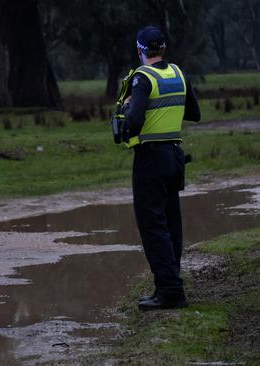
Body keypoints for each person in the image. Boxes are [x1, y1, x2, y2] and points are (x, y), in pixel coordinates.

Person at [119, 26, 201, 311]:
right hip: (174, 156)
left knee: (153, 226)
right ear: (163, 49)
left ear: (140, 50)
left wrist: (125, 112)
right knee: (171, 223)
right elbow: (194, 113)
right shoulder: (178, 73)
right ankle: (169, 284)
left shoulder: (142, 78)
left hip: (150, 159)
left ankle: (170, 292)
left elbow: (134, 122)